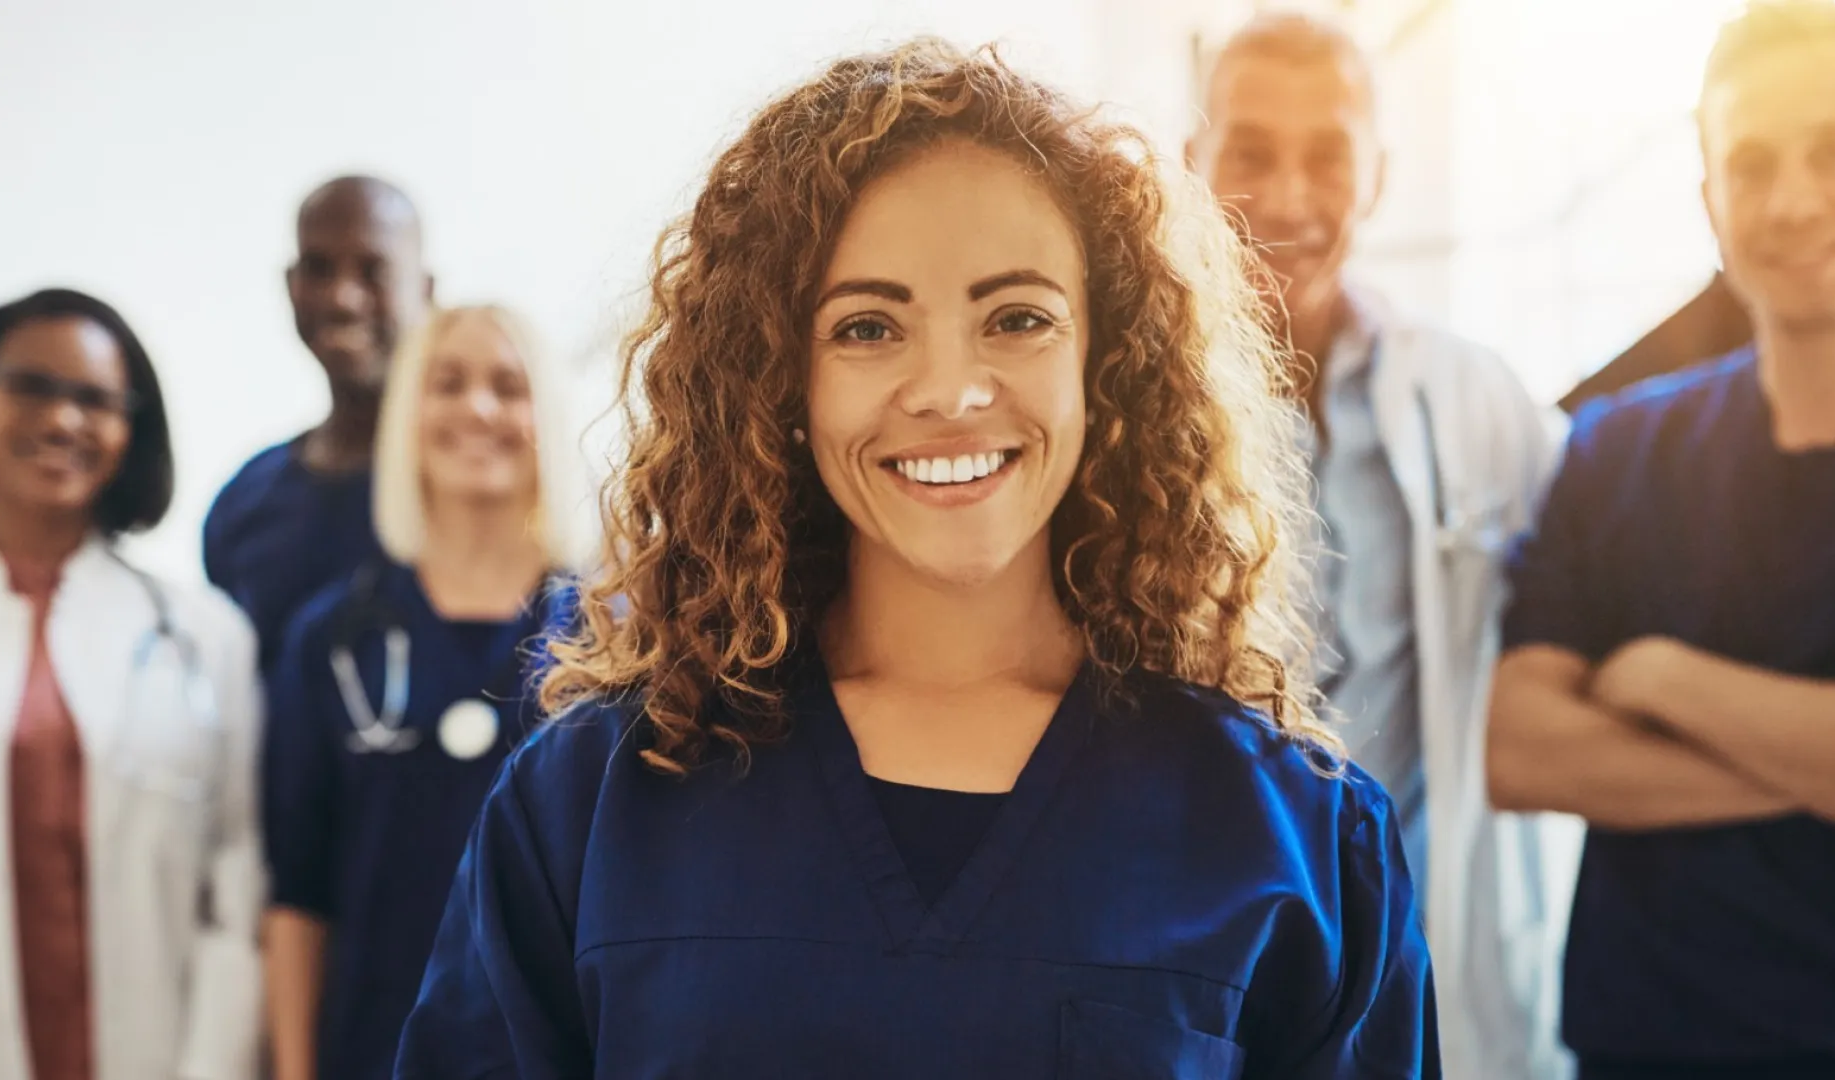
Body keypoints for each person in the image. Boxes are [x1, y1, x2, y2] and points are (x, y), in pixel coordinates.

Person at [395, 39, 1436, 1080]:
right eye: (866, 328)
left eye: (1017, 318)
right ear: (778, 382)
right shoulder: (590, 814)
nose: (950, 388)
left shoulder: (1294, 843)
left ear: (1106, 361)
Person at [1488, 3, 1835, 1076]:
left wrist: (1661, 675)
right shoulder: (1620, 446)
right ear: (1711, 204)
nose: (1796, 200)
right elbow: (1521, 748)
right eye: (1753, 164)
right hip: (1643, 1049)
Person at [1185, 14, 1577, 1078]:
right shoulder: (1112, 411)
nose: (1290, 195)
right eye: (1251, 152)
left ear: (1378, 177)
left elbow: (1620, 565)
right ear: (1193, 160)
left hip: (1420, 972)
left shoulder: (1472, 400)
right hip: (1203, 955)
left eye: (1329, 156)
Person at [261, 304, 589, 1080]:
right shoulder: (333, 642)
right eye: (448, 384)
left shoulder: (615, 643)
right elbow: (298, 899)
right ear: (409, 415)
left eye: (508, 387)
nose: (479, 408)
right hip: (373, 1051)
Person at [0, 288, 264, 1080]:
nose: (64, 420)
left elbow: (235, 881)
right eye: (32, 385)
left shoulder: (204, 636)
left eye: (96, 399)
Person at [204, 175, 435, 668]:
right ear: (291, 286)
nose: (342, 299)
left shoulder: (476, 489)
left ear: (426, 290)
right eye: (318, 269)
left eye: (373, 271)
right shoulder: (243, 504)